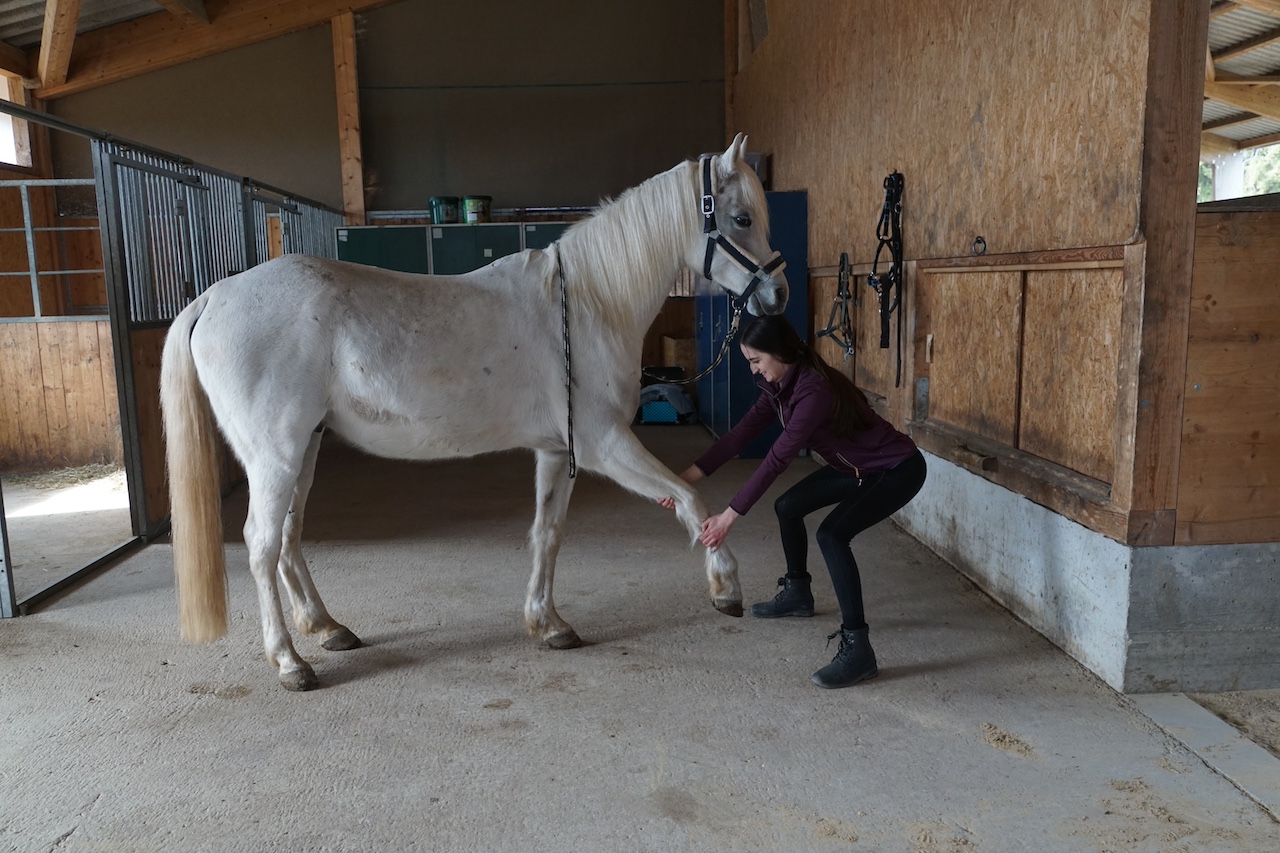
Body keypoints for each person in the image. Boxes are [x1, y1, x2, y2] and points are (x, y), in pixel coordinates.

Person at [660, 314, 926, 688]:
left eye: (756, 360)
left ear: (780, 352)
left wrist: (728, 517)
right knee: (789, 506)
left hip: (895, 470)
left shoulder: (813, 390)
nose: (753, 370)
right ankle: (798, 594)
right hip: (854, 469)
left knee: (833, 536)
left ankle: (859, 649)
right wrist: (680, 482)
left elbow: (777, 459)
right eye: (749, 362)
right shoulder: (780, 384)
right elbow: (738, 438)